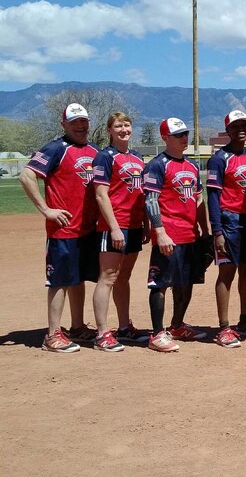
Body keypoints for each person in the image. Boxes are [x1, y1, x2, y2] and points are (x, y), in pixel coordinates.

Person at [21, 102, 100, 352]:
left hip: (88, 229)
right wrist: (46, 209)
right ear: (63, 123)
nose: (80, 125)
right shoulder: (56, 148)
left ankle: (77, 327)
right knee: (59, 281)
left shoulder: (95, 150)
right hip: (63, 229)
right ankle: (53, 334)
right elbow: (27, 175)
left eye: (83, 121)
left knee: (78, 279)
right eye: (74, 121)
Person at [143, 117, 210, 352]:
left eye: (186, 134)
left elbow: (199, 199)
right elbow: (150, 200)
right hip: (169, 234)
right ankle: (157, 333)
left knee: (185, 282)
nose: (185, 138)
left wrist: (205, 230)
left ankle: (177, 325)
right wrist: (159, 233)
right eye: (179, 135)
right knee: (160, 283)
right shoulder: (157, 165)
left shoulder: (191, 166)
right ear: (165, 138)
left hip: (190, 234)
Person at [90, 111, 150, 352]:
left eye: (126, 125)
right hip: (113, 226)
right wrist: (114, 228)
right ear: (109, 130)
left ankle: (124, 327)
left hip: (134, 225)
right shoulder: (104, 157)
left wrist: (145, 223)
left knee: (123, 278)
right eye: (118, 126)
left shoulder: (136, 157)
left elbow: (142, 194)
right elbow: (100, 194)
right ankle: (102, 333)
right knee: (108, 277)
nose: (123, 129)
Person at [207, 110, 246, 348]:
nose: (242, 129)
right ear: (227, 130)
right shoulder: (219, 159)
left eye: (245, 126)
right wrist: (217, 231)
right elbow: (212, 196)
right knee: (226, 273)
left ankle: (244, 320)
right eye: (236, 126)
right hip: (228, 220)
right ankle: (224, 327)